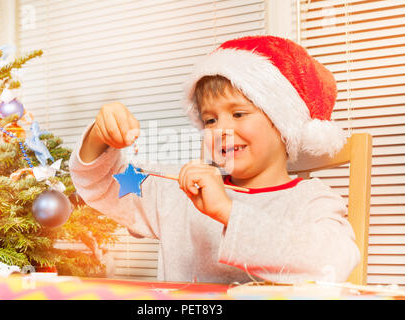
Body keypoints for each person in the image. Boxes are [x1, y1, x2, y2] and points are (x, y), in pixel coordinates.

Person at [69, 35, 360, 284]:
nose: (220, 130)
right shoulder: (178, 192)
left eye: (238, 114)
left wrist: (227, 211)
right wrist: (100, 135)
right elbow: (100, 184)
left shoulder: (312, 201)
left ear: (283, 125)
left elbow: (332, 262)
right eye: (210, 119)